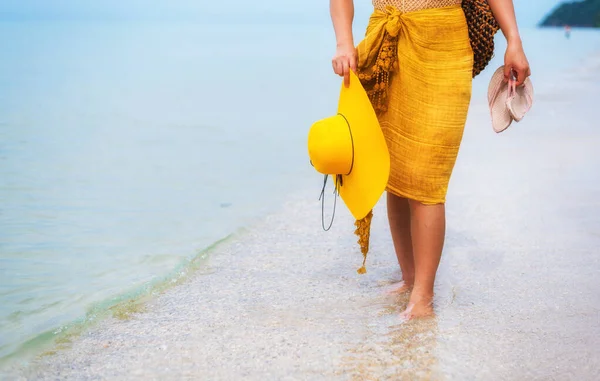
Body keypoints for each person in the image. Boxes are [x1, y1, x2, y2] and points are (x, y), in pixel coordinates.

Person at [329, 0, 531, 319]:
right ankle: (409, 279)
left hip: (444, 44)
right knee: (394, 172)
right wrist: (344, 41)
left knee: (427, 176)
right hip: (385, 41)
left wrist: (514, 41)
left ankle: (423, 296)